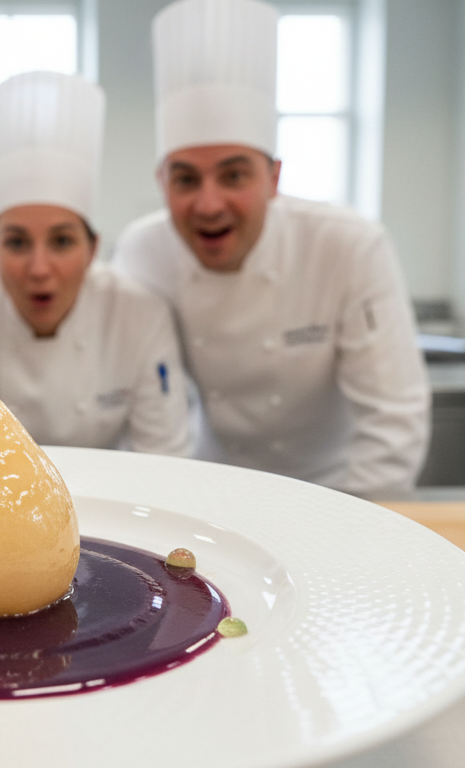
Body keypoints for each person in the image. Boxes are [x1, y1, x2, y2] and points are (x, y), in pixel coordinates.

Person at [112, 0, 430, 495]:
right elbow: (150, 400)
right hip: (217, 493)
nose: (209, 204)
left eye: (234, 175)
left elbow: (393, 419)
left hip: (339, 493)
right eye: (186, 179)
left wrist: (361, 535)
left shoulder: (347, 246)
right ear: (161, 182)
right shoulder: (143, 253)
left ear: (274, 177)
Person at [0, 72, 192, 456]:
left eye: (62, 241)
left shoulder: (139, 316)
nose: (39, 268)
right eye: (16, 242)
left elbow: (165, 462)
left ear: (93, 248)